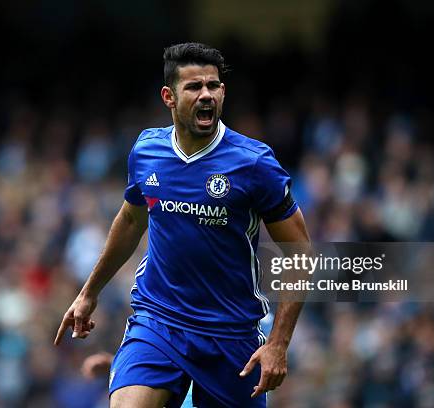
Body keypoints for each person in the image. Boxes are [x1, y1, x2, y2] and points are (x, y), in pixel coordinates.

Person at [55, 42, 309, 407]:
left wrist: (278, 344)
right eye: (194, 87)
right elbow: (130, 219)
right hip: (158, 321)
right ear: (169, 96)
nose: (206, 95)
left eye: (214, 86)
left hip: (230, 335)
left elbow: (300, 253)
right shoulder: (147, 151)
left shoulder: (254, 164)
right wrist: (88, 292)